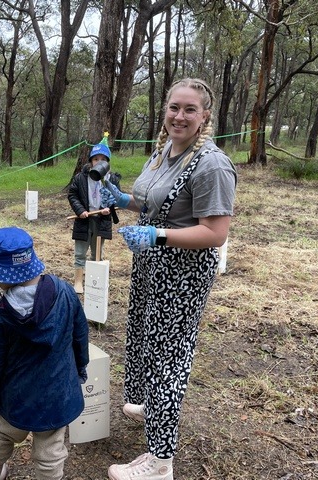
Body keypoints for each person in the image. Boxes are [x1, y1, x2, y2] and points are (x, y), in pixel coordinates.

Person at [102, 78, 237, 480]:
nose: (179, 116)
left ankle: (160, 462)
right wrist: (124, 200)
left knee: (169, 359)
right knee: (145, 339)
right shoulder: (164, 151)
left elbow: (216, 232)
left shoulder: (211, 164)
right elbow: (153, 201)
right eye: (174, 107)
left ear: (205, 116)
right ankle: (152, 406)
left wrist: (157, 235)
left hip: (182, 273)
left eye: (189, 109)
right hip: (151, 268)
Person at [0, 226, 89, 480]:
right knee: (50, 455)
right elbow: (80, 335)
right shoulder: (66, 291)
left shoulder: (3, 313)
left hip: (17, 398)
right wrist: (81, 367)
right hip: (58, 395)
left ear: (2, 276)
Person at [67, 138, 121, 293]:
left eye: (103, 159)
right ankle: (78, 282)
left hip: (101, 220)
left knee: (97, 252)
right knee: (80, 252)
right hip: (84, 220)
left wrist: (108, 208)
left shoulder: (112, 179)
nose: (99, 162)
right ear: (90, 161)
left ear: (108, 162)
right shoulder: (80, 178)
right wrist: (80, 211)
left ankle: (93, 281)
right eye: (96, 159)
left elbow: (118, 198)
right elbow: (73, 195)